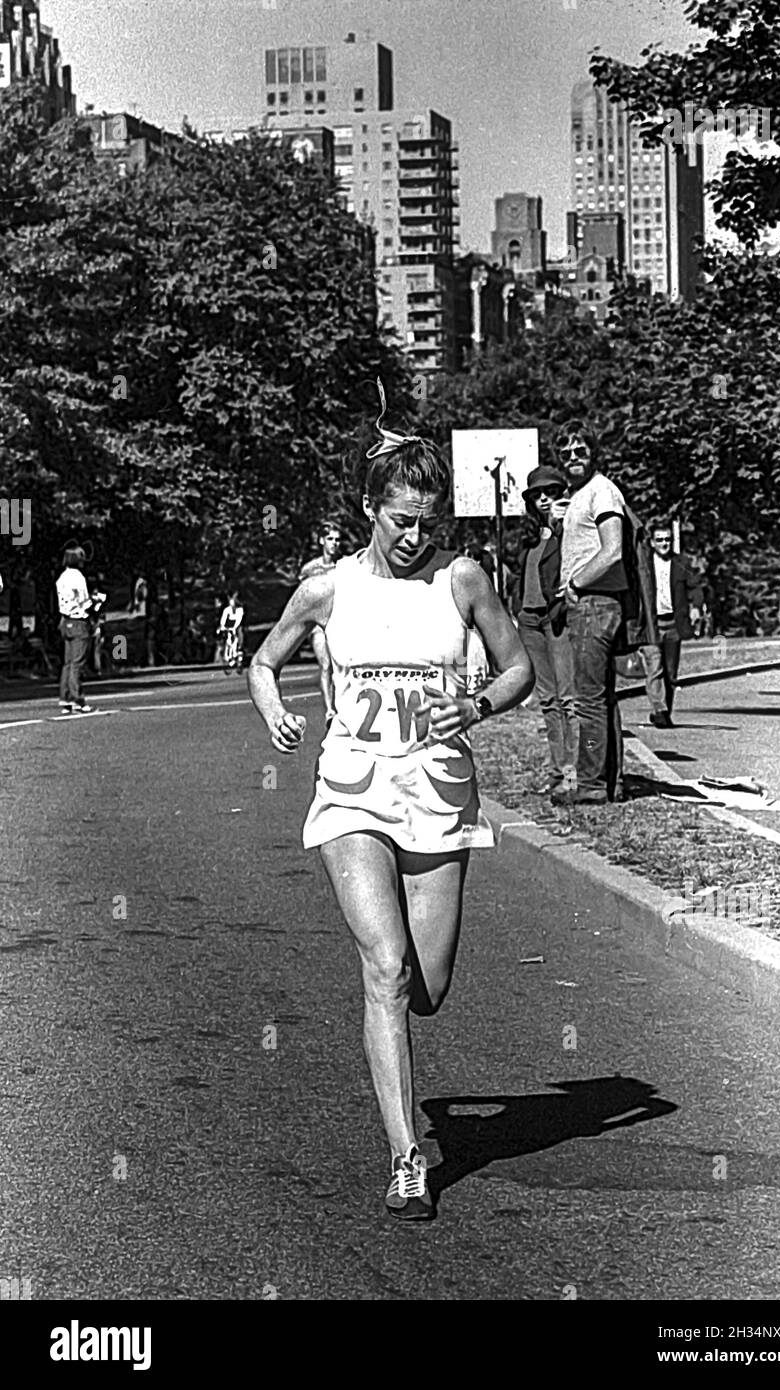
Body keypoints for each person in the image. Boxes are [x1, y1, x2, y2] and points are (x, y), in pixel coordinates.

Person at [247, 381, 533, 1220]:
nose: (414, 537)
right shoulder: (329, 588)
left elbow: (518, 669)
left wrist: (476, 705)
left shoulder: (464, 581)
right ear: (370, 507)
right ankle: (407, 1156)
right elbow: (264, 662)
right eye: (400, 519)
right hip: (353, 793)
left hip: (439, 796)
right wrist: (274, 708)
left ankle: (406, 1060)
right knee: (385, 966)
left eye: (427, 523)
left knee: (429, 984)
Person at [557, 423, 629, 804]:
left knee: (588, 700)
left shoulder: (602, 490)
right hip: (591, 603)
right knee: (600, 698)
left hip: (595, 602)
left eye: (580, 450)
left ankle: (590, 786)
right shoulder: (581, 495)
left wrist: (576, 583)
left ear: (593, 451)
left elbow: (613, 549)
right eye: (566, 453)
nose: (573, 458)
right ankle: (610, 782)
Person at [513, 465, 578, 804]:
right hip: (529, 620)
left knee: (569, 698)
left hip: (557, 618)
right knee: (548, 700)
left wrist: (560, 524)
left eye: (550, 492)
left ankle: (574, 771)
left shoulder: (568, 529)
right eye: (537, 495)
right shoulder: (527, 536)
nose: (543, 499)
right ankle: (557, 770)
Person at [640, 522, 694, 729]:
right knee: (655, 669)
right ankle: (659, 709)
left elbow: (695, 586)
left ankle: (664, 712)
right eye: (660, 540)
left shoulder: (681, 563)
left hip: (673, 624)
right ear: (652, 543)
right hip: (652, 624)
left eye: (668, 540)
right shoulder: (644, 565)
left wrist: (696, 606)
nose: (664, 544)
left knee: (670, 674)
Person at [299, 521, 344, 718]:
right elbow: (302, 596)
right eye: (330, 539)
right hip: (319, 626)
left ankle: (345, 706)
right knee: (325, 665)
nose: (334, 544)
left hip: (341, 623)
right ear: (321, 541)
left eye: (337, 540)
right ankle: (329, 709)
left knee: (342, 666)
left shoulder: (346, 565)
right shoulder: (310, 569)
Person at [55, 542, 94, 714]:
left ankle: (65, 698)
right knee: (78, 663)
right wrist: (96, 602)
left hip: (65, 620)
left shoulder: (62, 577)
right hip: (78, 621)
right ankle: (78, 699)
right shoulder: (78, 577)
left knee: (68, 662)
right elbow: (84, 601)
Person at [217, 591, 244, 668]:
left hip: (237, 627)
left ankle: (238, 653)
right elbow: (223, 619)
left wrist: (234, 627)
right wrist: (222, 627)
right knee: (229, 639)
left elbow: (239, 620)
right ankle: (228, 655)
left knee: (237, 638)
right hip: (229, 627)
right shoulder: (227, 610)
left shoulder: (240, 610)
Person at [88, 576, 108, 675]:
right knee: (95, 649)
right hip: (94, 626)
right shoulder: (94, 602)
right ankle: (96, 668)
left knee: (96, 649)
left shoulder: (96, 603)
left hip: (96, 627)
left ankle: (97, 668)